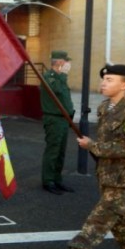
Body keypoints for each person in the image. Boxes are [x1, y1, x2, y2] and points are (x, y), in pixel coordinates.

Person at [37, 64, 125, 249]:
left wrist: (93, 146)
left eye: (110, 79)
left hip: (123, 180)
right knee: (123, 228)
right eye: (104, 79)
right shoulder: (105, 108)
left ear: (124, 85)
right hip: (107, 175)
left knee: (98, 222)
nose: (103, 83)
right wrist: (96, 147)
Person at [40, 50, 76, 195]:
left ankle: (57, 179)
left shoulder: (60, 77)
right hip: (54, 119)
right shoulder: (49, 77)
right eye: (67, 62)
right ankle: (48, 181)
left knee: (61, 152)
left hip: (63, 120)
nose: (69, 65)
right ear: (60, 63)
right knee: (53, 151)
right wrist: (63, 75)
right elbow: (57, 91)